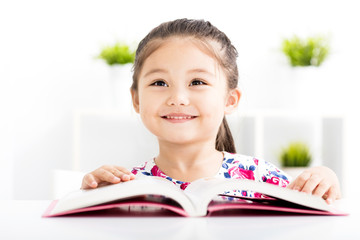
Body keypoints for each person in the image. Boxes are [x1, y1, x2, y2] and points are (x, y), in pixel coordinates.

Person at [81, 18, 341, 204]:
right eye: (159, 83)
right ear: (136, 99)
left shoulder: (263, 179)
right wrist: (92, 198)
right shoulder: (125, 188)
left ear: (230, 99)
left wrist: (325, 180)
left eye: (198, 82)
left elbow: (315, 210)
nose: (178, 98)